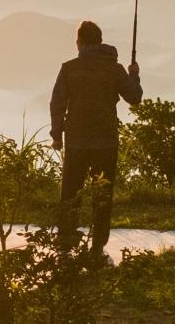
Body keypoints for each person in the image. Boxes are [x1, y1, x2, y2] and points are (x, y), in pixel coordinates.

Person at [50, 21, 142, 263]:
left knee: (70, 195)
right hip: (106, 141)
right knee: (102, 196)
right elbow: (134, 98)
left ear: (79, 42)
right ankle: (97, 249)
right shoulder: (115, 69)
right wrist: (135, 75)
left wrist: (56, 135)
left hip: (77, 142)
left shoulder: (69, 68)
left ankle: (65, 248)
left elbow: (57, 103)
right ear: (100, 41)